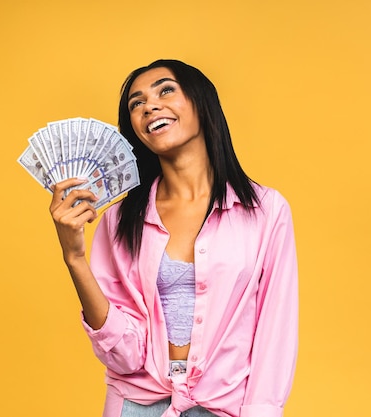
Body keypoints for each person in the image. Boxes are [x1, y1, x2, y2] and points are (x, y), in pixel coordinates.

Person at [49, 59, 298, 417]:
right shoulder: (120, 220)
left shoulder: (264, 210)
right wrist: (74, 258)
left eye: (166, 90)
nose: (150, 106)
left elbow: (276, 332)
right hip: (136, 406)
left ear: (201, 102)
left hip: (225, 407)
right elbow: (124, 354)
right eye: (137, 103)